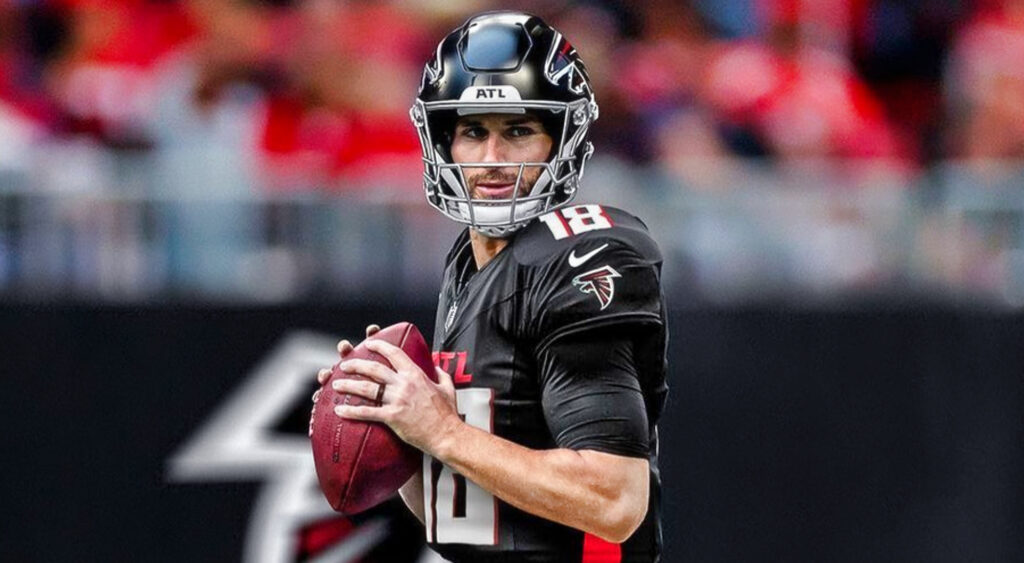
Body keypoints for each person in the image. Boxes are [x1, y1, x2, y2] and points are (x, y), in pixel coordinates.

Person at [314, 11, 668, 562]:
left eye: (519, 131)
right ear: (443, 143)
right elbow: (473, 518)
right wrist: (396, 426)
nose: (492, 159)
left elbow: (615, 501)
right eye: (474, 131)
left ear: (562, 140)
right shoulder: (468, 261)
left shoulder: (577, 259)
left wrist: (443, 433)